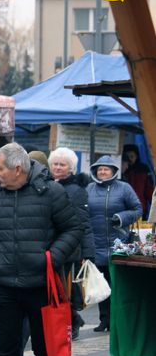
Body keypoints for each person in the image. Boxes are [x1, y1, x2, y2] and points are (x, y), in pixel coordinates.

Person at [0, 142, 82, 356]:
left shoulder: (51, 192)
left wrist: (50, 259)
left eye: (0, 168)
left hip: (41, 286)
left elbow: (73, 229)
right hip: (4, 286)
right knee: (6, 353)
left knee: (46, 352)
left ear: (17, 169)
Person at [86, 155, 142, 332]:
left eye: (106, 169)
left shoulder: (124, 188)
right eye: (100, 169)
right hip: (96, 243)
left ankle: (119, 319)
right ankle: (104, 320)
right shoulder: (89, 188)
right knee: (101, 285)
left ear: (113, 171)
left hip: (119, 242)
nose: (102, 172)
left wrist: (120, 218)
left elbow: (137, 209)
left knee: (117, 285)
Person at [48, 147, 96, 340]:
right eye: (55, 164)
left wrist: (87, 252)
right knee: (54, 289)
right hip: (49, 246)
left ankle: (72, 321)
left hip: (69, 249)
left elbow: (83, 222)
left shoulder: (76, 191)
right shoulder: (47, 185)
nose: (58, 167)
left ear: (71, 168)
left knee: (63, 290)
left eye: (62, 164)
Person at [122, 144, 153, 219]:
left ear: (137, 156)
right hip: (123, 209)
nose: (130, 159)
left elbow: (149, 190)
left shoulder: (143, 169)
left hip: (140, 208)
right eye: (127, 156)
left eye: (132, 156)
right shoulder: (122, 170)